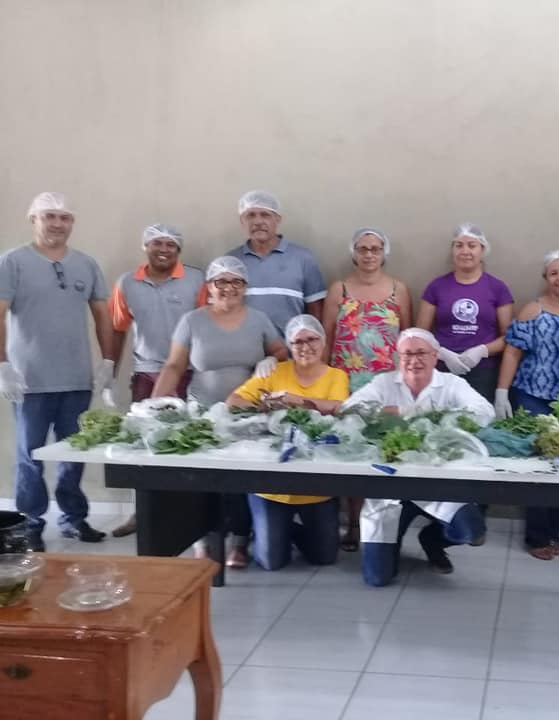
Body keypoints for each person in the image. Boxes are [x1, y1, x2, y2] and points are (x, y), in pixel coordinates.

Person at [153, 255, 286, 567]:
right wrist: (154, 403)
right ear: (209, 287)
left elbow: (280, 349)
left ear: (245, 287)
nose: (229, 287)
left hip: (247, 415)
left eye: (236, 281)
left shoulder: (258, 319)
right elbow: (174, 365)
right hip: (203, 414)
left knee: (240, 482)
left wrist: (272, 360)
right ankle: (202, 542)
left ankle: (239, 542)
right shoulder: (192, 321)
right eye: (221, 281)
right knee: (201, 482)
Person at [0, 192, 114, 551]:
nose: (57, 224)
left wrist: (108, 361)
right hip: (29, 380)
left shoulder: (85, 264)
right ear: (33, 219)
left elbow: (102, 315)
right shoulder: (12, 262)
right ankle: (31, 524)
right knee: (30, 456)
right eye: (49, 216)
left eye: (64, 218)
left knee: (73, 453)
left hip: (76, 378)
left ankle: (74, 519)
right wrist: (2, 364)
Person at [340, 328, 494, 586]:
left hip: (436, 482)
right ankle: (390, 548)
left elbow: (484, 412)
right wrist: (396, 410)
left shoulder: (452, 384)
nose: (414, 360)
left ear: (435, 356)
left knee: (471, 529)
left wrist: (424, 412)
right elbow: (349, 409)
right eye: (407, 354)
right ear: (398, 358)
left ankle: (431, 540)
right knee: (377, 578)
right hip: (389, 486)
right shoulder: (384, 383)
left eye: (421, 353)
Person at [105, 224, 207, 538]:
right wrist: (109, 370)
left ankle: (193, 516)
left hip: (189, 373)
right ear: (145, 246)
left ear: (179, 250)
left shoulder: (196, 279)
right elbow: (117, 328)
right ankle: (143, 514)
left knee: (191, 443)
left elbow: (207, 323)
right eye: (156, 243)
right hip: (147, 373)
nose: (163, 249)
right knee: (143, 444)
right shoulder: (127, 283)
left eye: (170, 245)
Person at [227, 315, 349, 570]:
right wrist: (267, 406)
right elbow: (233, 403)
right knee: (271, 562)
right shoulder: (274, 373)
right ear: (290, 347)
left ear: (323, 341)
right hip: (271, 483)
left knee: (324, 557)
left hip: (317, 485)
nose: (305, 347)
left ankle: (285, 530)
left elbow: (338, 408)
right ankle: (266, 526)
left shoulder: (336, 376)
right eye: (297, 342)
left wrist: (296, 400)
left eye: (312, 339)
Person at [495, 250, 559, 560]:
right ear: (546, 279)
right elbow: (512, 352)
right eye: (554, 272)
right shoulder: (532, 311)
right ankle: (537, 536)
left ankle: (554, 530)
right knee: (538, 467)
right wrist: (502, 392)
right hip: (533, 396)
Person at [322, 228, 413, 552]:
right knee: (351, 450)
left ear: (384, 253)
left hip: (387, 384)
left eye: (375, 249)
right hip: (346, 383)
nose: (369, 254)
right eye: (363, 248)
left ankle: (384, 525)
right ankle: (353, 522)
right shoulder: (339, 289)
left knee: (386, 450)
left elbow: (408, 340)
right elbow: (327, 337)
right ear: (354, 253)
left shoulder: (399, 290)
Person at [416, 223, 514, 402]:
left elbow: (508, 337)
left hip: (483, 373)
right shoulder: (436, 287)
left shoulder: (497, 288)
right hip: (441, 371)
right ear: (452, 250)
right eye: (459, 245)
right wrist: (442, 353)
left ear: (482, 250)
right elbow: (420, 334)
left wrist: (481, 351)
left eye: (472, 245)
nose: (465, 251)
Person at [227, 190, 327, 335]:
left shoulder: (302, 258)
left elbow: (315, 310)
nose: (258, 221)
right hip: (246, 352)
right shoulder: (232, 262)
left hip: (291, 352)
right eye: (250, 215)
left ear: (278, 219)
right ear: (242, 221)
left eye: (265, 215)